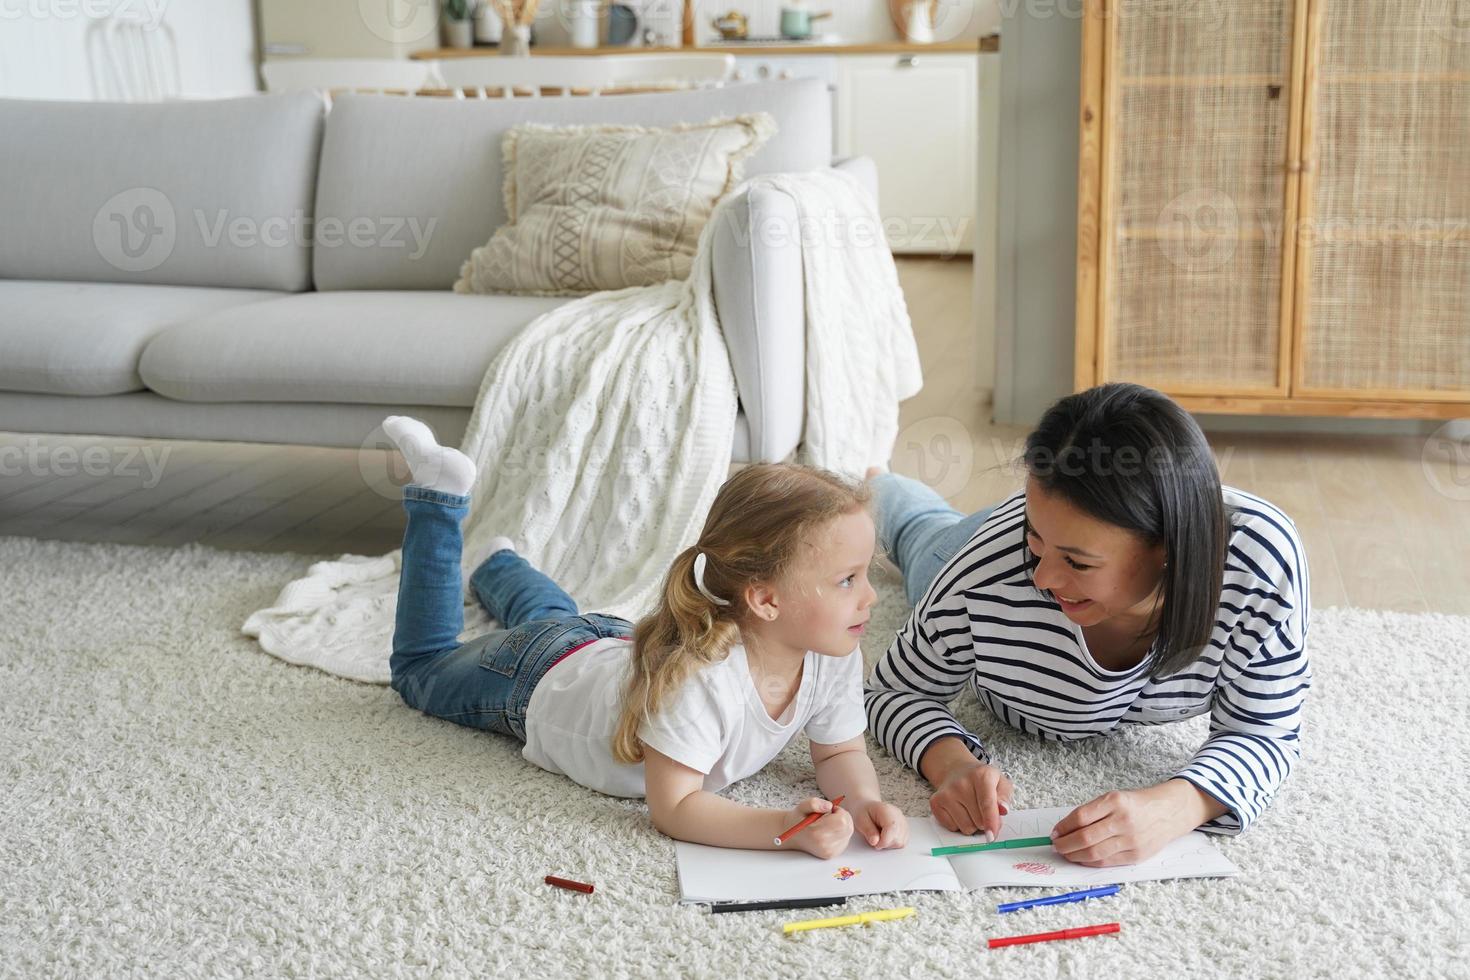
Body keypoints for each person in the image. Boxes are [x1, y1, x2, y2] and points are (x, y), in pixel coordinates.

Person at [381, 416, 908, 858]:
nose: (871, 598)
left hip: (604, 641)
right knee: (421, 667)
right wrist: (784, 830)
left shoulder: (831, 648)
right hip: (533, 677)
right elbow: (675, 808)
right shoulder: (704, 680)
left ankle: (498, 564)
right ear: (765, 600)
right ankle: (437, 499)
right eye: (847, 580)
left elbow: (839, 752)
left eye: (865, 574)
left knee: (553, 617)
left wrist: (862, 802)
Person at [864, 383, 1310, 867]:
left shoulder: (1259, 566)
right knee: (922, 534)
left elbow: (1265, 730)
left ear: (1169, 551)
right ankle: (879, 484)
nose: (1044, 578)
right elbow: (890, 693)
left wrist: (1177, 807)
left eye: (1077, 563)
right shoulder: (985, 574)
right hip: (969, 546)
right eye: (1037, 544)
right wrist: (953, 765)